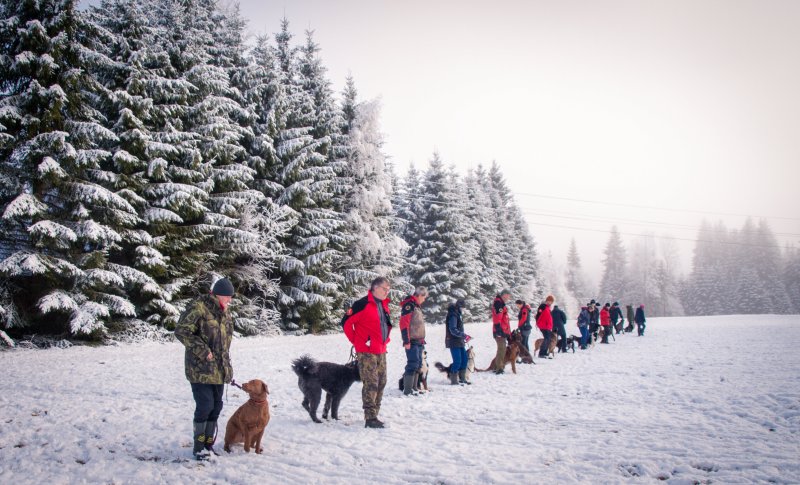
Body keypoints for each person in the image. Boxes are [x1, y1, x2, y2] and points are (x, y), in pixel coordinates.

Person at [175, 277, 235, 460]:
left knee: (216, 407)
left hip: (218, 370)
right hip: (199, 369)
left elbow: (225, 344)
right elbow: (181, 331)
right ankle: (199, 446)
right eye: (227, 297)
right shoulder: (198, 307)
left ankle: (208, 445)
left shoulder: (225, 313)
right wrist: (203, 350)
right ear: (217, 295)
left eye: (231, 298)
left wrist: (228, 369)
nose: (230, 301)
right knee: (205, 406)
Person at [342, 277, 393, 428]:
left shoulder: (384, 305)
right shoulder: (362, 304)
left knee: (382, 382)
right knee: (371, 383)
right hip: (366, 351)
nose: (386, 291)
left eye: (388, 289)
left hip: (381, 350)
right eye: (384, 288)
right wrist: (357, 342)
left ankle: (375, 413)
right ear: (375, 287)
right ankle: (370, 418)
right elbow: (345, 323)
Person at [399, 286, 428, 395]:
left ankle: (414, 388)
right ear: (419, 295)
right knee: (412, 364)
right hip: (412, 340)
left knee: (418, 364)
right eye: (424, 297)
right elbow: (403, 324)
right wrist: (406, 340)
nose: (424, 300)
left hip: (419, 340)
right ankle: (407, 390)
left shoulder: (416, 306)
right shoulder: (409, 305)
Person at [445, 299, 471, 385]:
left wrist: (463, 336)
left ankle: (462, 378)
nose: (463, 309)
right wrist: (463, 335)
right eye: (462, 308)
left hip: (459, 341)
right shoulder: (453, 315)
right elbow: (452, 329)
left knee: (464, 359)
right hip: (453, 341)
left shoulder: (458, 314)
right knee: (457, 361)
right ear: (458, 307)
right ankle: (454, 380)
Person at [491, 289, 513, 374]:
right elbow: (497, 318)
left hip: (502, 330)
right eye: (508, 295)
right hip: (499, 330)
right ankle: (499, 368)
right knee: (502, 349)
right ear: (504, 295)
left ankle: (497, 366)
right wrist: (499, 330)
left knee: (502, 349)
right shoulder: (498, 303)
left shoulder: (501, 303)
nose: (509, 297)